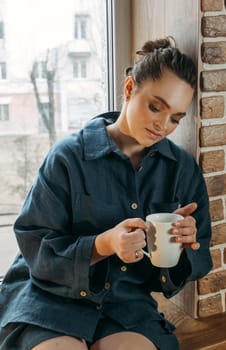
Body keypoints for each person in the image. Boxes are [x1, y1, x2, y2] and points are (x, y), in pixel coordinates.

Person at [0, 37, 212, 350]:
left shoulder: (182, 169)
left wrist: (183, 244)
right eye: (156, 107)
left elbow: (200, 256)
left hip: (126, 306)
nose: (163, 126)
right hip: (49, 299)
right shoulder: (67, 157)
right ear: (129, 89)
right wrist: (104, 244)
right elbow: (34, 247)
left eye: (175, 118)